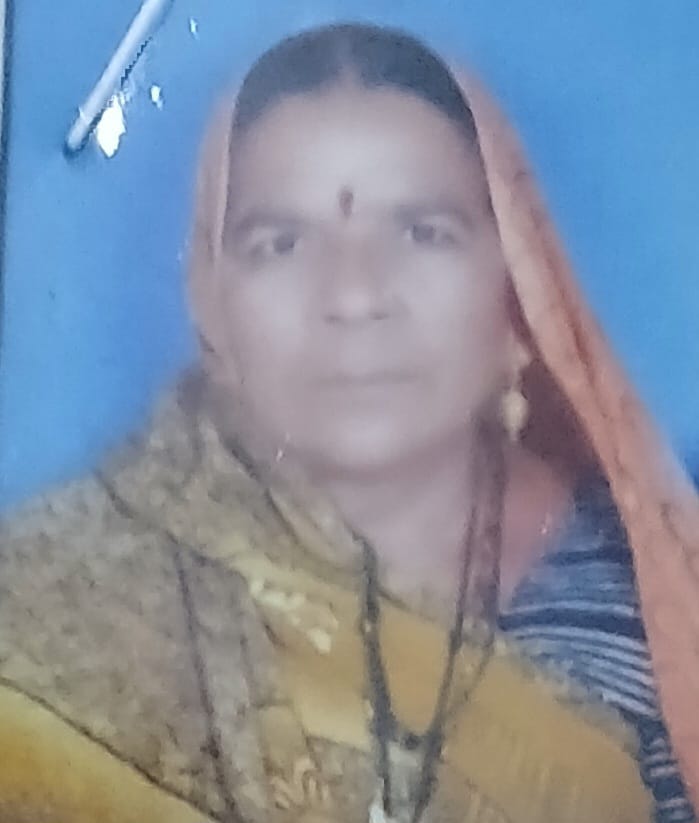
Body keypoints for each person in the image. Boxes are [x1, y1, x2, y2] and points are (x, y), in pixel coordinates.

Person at [0, 22, 698, 823]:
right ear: (211, 301)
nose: (355, 296)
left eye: (422, 232)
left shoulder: (656, 610)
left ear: (517, 286)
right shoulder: (58, 598)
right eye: (282, 242)